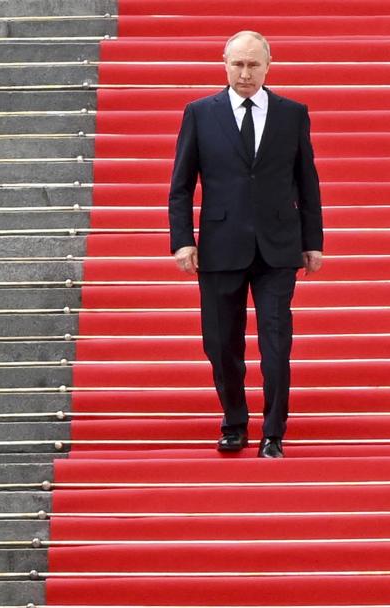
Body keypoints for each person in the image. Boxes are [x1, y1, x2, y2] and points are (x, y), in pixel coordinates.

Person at [168, 31, 324, 459]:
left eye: (254, 65)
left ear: (269, 66)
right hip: (220, 245)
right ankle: (234, 422)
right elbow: (181, 185)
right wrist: (183, 240)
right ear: (224, 63)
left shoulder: (292, 114)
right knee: (220, 342)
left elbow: (307, 182)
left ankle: (274, 432)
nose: (245, 73)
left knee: (277, 344)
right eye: (238, 64)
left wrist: (313, 241)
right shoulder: (200, 113)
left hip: (278, 246)